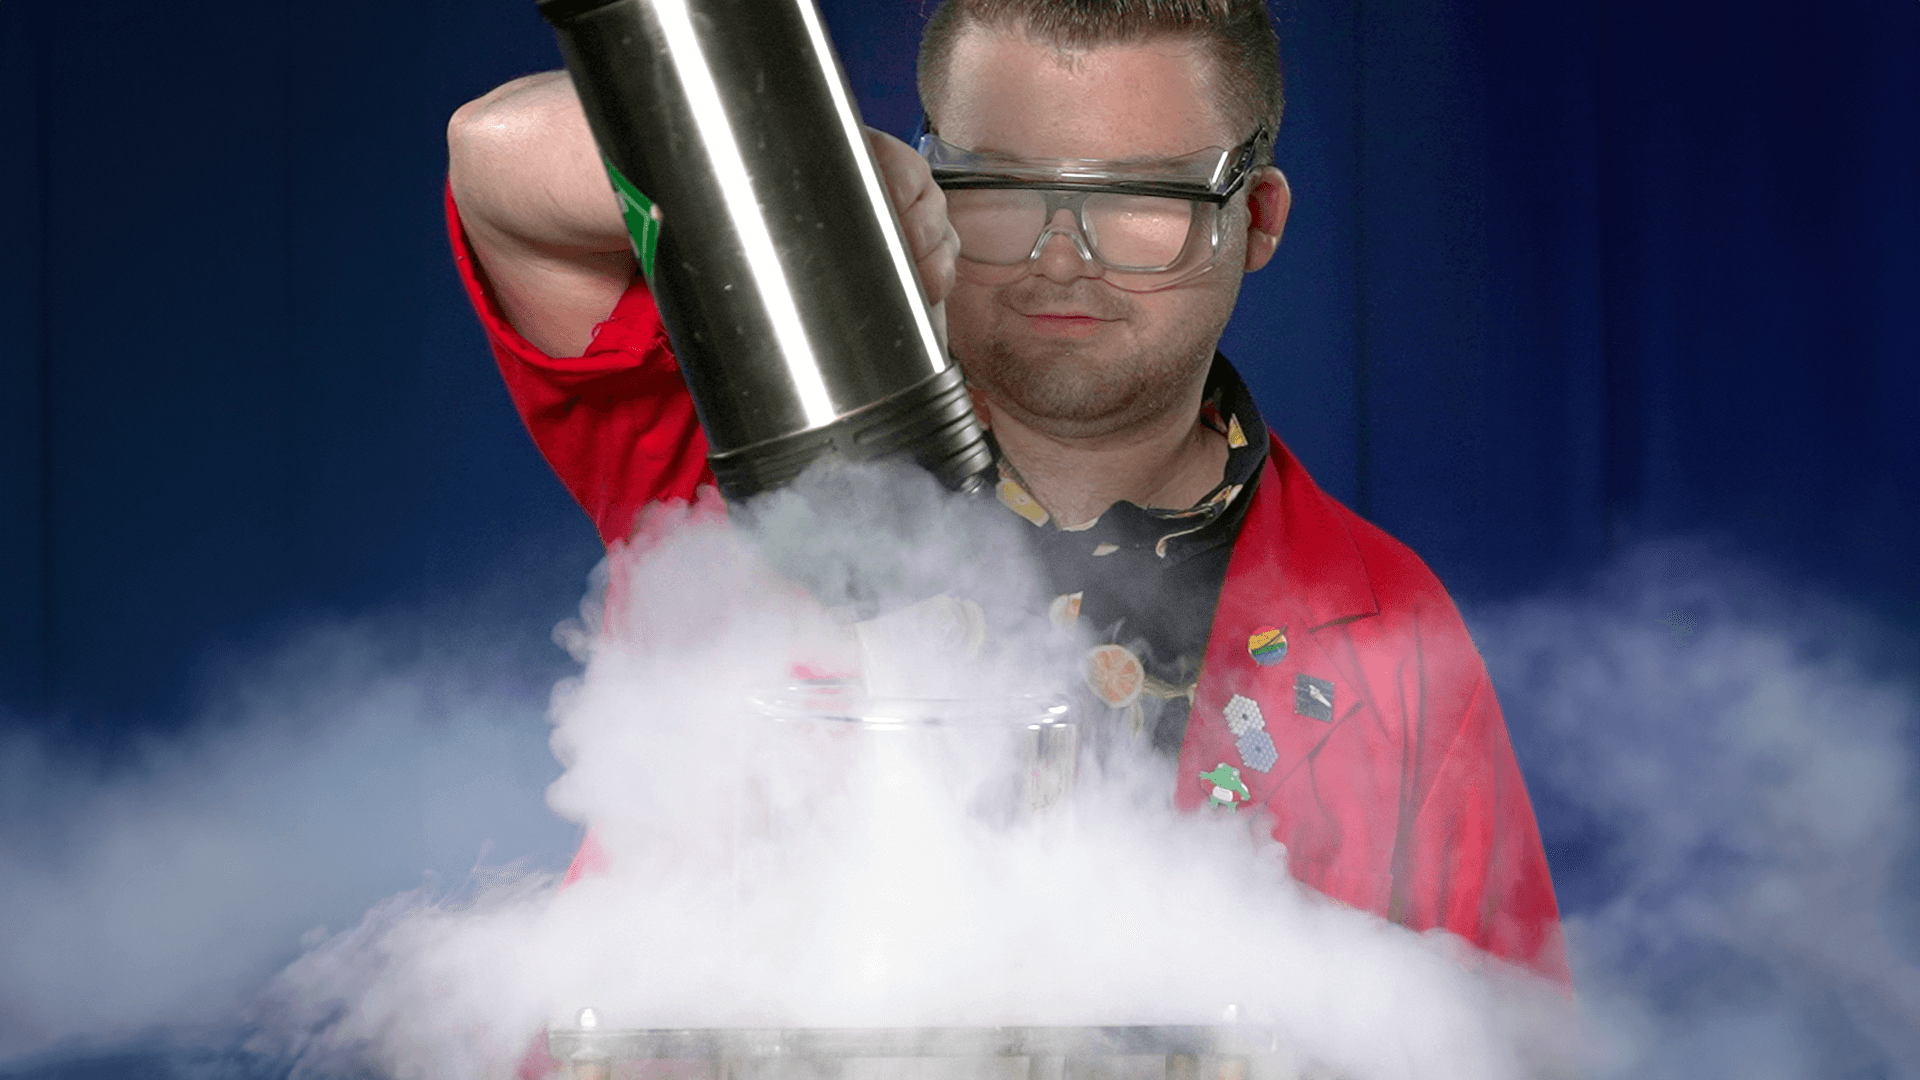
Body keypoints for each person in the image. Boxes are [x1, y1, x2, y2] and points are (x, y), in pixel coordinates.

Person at [445, 0, 1570, 984]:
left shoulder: (1391, 622)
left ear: (1257, 219)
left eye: (1139, 199)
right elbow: (496, 162)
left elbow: (1500, 1034)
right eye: (997, 186)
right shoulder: (748, 442)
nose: (1060, 256)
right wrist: (803, 170)